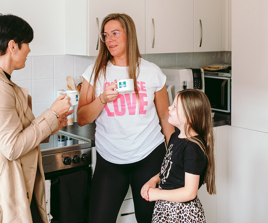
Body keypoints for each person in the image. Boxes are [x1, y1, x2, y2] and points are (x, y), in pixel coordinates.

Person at [0, 14, 72, 223]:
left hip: (8, 185)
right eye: (27, 43)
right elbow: (12, 147)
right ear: (13, 46)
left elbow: (13, 133)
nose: (29, 49)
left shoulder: (0, 81)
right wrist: (52, 113)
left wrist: (51, 126)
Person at [76, 13, 175, 223]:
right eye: (105, 35)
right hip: (110, 159)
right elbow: (82, 118)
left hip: (149, 155)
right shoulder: (94, 73)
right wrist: (102, 99)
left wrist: (173, 156)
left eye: (115, 33)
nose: (109, 39)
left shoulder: (152, 72)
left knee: (150, 219)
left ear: (129, 35)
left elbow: (166, 118)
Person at [141, 89, 216, 223]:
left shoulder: (192, 148)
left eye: (175, 107)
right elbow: (171, 169)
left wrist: (157, 193)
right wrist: (153, 180)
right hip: (166, 207)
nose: (169, 107)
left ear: (190, 117)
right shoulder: (175, 136)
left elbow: (189, 192)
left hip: (181, 212)